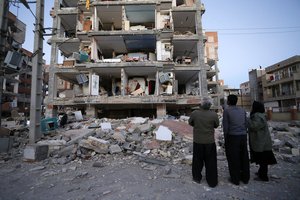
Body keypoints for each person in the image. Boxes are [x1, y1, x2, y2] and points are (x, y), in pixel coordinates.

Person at [188, 97, 219, 187]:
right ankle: (212, 181)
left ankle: (197, 178)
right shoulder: (213, 114)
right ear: (210, 105)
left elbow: (190, 122)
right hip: (210, 142)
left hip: (198, 141)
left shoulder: (195, 113)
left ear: (200, 105)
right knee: (211, 162)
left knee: (197, 161)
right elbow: (216, 125)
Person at [222, 94, 250, 185]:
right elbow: (246, 123)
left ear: (228, 102)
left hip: (232, 136)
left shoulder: (227, 111)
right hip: (243, 136)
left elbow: (226, 127)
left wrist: (226, 139)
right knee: (244, 156)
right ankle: (245, 178)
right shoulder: (242, 110)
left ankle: (235, 179)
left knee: (233, 157)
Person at [248, 101, 277, 181]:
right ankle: (261, 172)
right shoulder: (260, 115)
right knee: (262, 159)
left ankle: (263, 176)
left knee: (263, 160)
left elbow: (254, 126)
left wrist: (247, 120)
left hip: (261, 142)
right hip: (262, 141)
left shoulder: (258, 116)